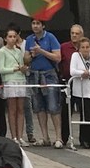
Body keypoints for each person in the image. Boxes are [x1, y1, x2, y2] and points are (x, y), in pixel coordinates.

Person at [23, 17, 64, 148]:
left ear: (43, 26)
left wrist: (41, 51)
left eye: (38, 23)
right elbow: (25, 59)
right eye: (33, 23)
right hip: (34, 74)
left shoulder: (50, 38)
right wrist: (31, 55)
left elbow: (57, 57)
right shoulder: (29, 39)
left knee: (53, 106)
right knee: (38, 106)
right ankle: (44, 136)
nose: (35, 26)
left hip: (49, 74)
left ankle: (58, 137)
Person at [0, 27, 29, 142]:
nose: (12, 39)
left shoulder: (19, 51)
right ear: (5, 38)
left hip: (20, 79)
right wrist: (14, 69)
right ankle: (14, 136)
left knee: (21, 109)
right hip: (9, 80)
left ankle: (20, 136)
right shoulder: (2, 51)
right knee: (12, 109)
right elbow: (2, 69)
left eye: (14, 36)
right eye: (10, 36)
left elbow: (21, 65)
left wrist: (23, 69)